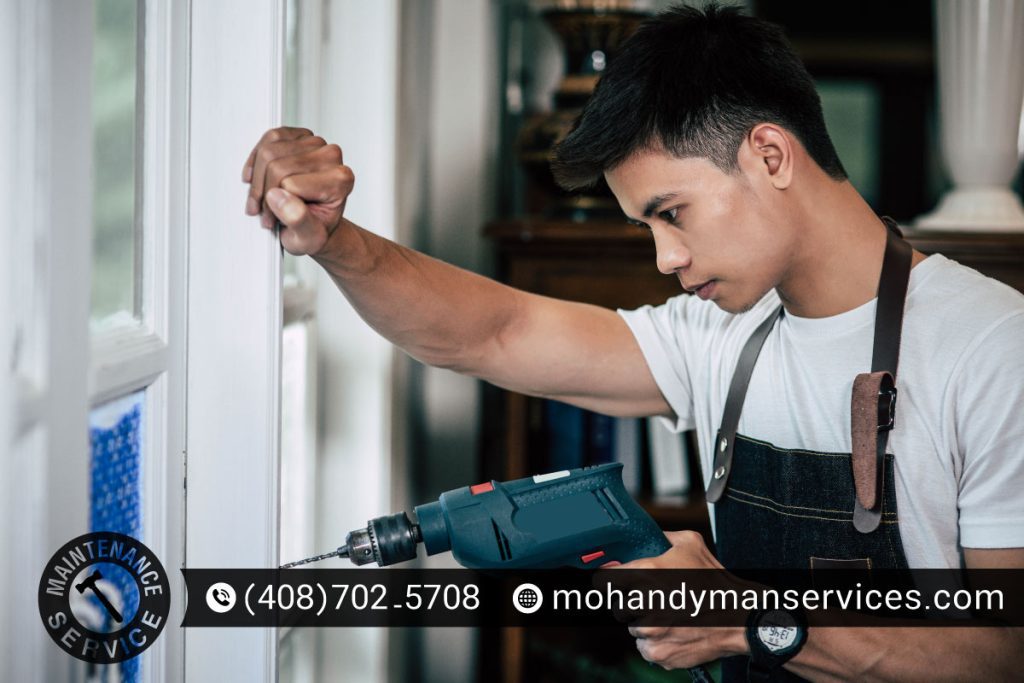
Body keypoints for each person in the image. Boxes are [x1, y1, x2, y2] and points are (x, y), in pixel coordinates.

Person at [242, 4, 1024, 680]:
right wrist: (332, 240)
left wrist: (751, 621)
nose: (664, 258)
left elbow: (1008, 655)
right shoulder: (721, 336)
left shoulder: (990, 347)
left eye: (672, 212)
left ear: (771, 155)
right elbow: (493, 332)